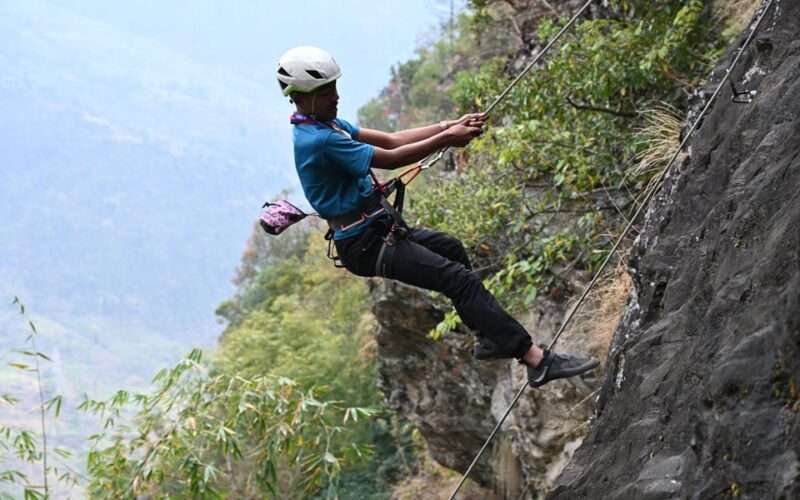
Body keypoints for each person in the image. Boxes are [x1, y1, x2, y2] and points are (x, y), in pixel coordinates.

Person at [277, 46, 598, 387]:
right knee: (459, 279)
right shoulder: (318, 140)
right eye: (326, 91)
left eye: (334, 86)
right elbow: (390, 157)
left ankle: (489, 338)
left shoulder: (327, 124)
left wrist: (448, 125)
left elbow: (390, 138)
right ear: (301, 97)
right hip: (364, 244)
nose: (336, 95)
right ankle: (536, 359)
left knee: (451, 248)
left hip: (377, 228)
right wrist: (447, 139)